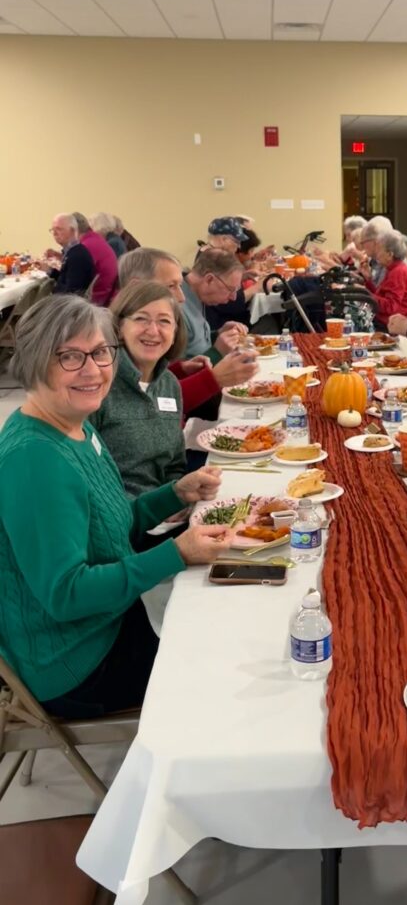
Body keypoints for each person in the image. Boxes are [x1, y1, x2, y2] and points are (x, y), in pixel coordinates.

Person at [0, 297, 233, 719]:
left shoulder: (73, 421)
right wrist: (175, 554)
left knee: (226, 612)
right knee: (225, 665)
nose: (93, 370)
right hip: (76, 660)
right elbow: (67, 595)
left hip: (108, 618)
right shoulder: (35, 459)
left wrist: (174, 494)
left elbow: (111, 522)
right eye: (69, 356)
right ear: (34, 361)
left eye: (101, 352)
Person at [118, 247, 258, 417]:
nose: (181, 297)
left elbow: (156, 381)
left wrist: (180, 370)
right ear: (136, 286)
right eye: (171, 286)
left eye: (179, 285)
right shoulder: (111, 350)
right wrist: (214, 376)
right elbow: (151, 407)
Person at [89, 281, 187, 497]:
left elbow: (175, 465)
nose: (153, 331)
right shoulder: (98, 383)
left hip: (166, 511)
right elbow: (90, 478)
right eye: (141, 319)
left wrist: (176, 497)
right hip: (119, 519)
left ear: (175, 331)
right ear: (119, 327)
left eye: (164, 321)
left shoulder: (169, 384)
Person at [180, 247, 248, 361]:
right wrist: (217, 352)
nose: (234, 297)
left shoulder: (194, 295)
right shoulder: (178, 306)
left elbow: (193, 344)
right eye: (230, 289)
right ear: (209, 279)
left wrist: (218, 335)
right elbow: (175, 373)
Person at [359, 229, 407, 330]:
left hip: (390, 324)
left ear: (390, 254)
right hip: (383, 319)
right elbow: (381, 296)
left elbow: (391, 307)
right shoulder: (393, 268)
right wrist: (368, 280)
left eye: (379, 249)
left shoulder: (398, 272)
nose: (376, 253)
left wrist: (365, 294)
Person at [75, 211, 118, 307]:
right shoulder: (95, 240)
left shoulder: (86, 246)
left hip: (94, 301)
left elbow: (76, 279)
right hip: (105, 295)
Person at [46, 212, 94, 296]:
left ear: (72, 231)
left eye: (59, 229)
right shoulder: (75, 250)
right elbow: (65, 279)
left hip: (69, 306)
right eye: (53, 230)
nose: (54, 233)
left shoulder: (77, 256)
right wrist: (49, 270)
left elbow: (71, 292)